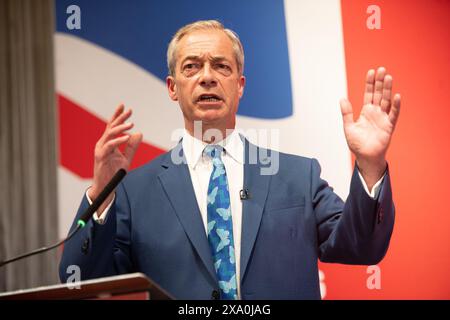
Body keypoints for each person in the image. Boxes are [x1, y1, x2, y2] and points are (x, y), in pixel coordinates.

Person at [59, 20, 401, 300]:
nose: (207, 76)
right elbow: (82, 281)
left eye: (221, 66)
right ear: (172, 87)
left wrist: (370, 165)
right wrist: (101, 195)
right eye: (191, 67)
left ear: (239, 85)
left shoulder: (298, 175)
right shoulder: (135, 191)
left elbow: (362, 248)